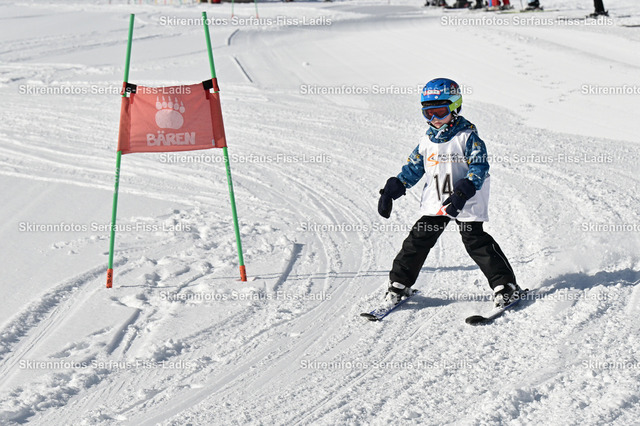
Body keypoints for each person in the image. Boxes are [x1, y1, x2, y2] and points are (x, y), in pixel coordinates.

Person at [377, 78, 520, 309]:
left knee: (475, 241)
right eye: (428, 113)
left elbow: (479, 166)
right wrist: (393, 188)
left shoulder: (467, 137)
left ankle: (505, 286)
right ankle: (399, 284)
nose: (434, 118)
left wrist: (464, 190)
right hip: (438, 201)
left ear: (455, 107)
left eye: (440, 112)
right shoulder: (426, 141)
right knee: (418, 239)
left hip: (466, 200)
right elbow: (413, 168)